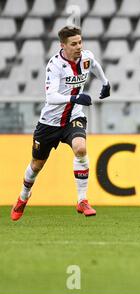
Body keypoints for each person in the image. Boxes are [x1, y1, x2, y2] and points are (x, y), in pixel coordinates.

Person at [11, 26, 111, 221]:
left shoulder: (86, 57)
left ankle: (82, 200)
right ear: (62, 46)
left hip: (74, 117)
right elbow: (51, 97)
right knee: (36, 165)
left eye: (80, 42)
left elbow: (95, 65)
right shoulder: (54, 66)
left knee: (81, 149)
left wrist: (105, 83)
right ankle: (23, 197)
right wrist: (74, 98)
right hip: (49, 123)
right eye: (73, 44)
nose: (78, 47)